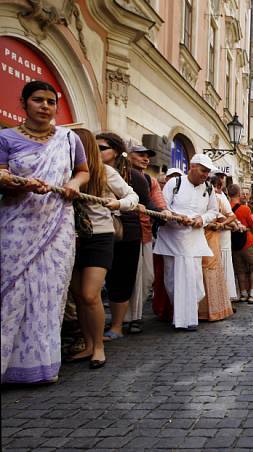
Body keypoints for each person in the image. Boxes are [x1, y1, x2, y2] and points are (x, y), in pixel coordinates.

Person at [0, 80, 89, 384]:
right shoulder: (6, 138)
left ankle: (42, 366)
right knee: (10, 291)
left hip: (57, 224)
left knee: (50, 293)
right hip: (16, 223)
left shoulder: (68, 139)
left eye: (51, 102)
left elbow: (83, 171)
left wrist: (74, 186)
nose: (45, 107)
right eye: (38, 100)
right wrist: (15, 181)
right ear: (22, 103)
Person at [67, 129, 138, 369]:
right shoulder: (65, 171)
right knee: (78, 295)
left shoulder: (106, 172)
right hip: (71, 237)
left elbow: (132, 197)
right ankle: (88, 344)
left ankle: (98, 346)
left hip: (99, 236)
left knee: (89, 294)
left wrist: (119, 203)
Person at [153, 154, 219, 331]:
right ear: (192, 167)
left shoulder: (209, 188)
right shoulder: (174, 184)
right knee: (173, 281)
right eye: (203, 170)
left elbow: (214, 212)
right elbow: (163, 208)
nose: (206, 175)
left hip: (194, 240)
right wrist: (176, 218)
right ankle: (183, 319)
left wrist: (202, 219)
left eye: (208, 172)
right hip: (172, 238)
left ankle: (189, 316)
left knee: (196, 283)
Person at [96, 132, 150, 341]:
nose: (97, 151)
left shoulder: (134, 177)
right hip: (96, 232)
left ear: (116, 152)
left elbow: (141, 203)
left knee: (121, 279)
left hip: (125, 233)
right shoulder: (87, 170)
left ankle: (117, 325)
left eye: (102, 148)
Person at [126, 144, 166, 334]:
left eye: (147, 156)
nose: (145, 159)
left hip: (145, 231)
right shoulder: (120, 175)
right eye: (140, 155)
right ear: (128, 155)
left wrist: (165, 213)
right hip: (122, 231)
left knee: (147, 276)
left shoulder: (151, 181)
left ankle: (134, 314)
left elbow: (158, 203)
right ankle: (131, 317)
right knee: (126, 275)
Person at [198, 174, 235, 321]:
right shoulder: (201, 198)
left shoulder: (217, 198)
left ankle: (213, 310)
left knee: (210, 270)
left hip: (212, 238)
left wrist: (220, 224)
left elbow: (230, 216)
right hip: (199, 237)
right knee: (200, 271)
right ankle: (202, 310)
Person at [229, 184, 253, 303]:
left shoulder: (226, 206)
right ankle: (252, 294)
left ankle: (243, 293)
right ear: (238, 194)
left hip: (233, 242)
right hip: (247, 242)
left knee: (240, 269)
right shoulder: (244, 208)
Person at [211, 175, 238, 302]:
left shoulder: (221, 197)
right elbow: (227, 218)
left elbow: (230, 217)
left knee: (223, 264)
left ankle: (223, 296)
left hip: (222, 236)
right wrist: (230, 224)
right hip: (217, 235)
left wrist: (227, 223)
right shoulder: (217, 196)